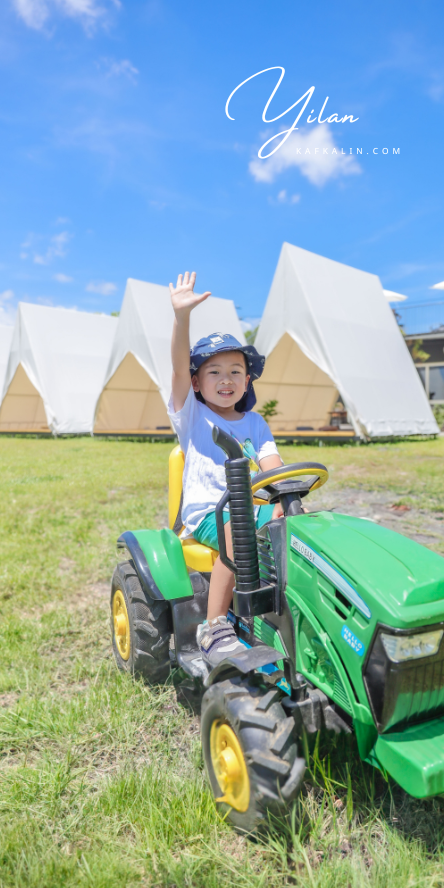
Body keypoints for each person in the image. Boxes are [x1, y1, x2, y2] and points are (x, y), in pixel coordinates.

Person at [166, 270, 285, 660]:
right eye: (214, 372)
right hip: (207, 515)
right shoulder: (192, 417)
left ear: (248, 380)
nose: (226, 379)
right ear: (197, 383)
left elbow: (273, 465)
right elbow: (179, 367)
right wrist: (182, 317)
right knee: (240, 531)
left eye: (235, 371)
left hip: (247, 511)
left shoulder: (255, 423)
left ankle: (283, 612)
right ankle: (214, 627)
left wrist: (286, 497)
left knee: (298, 528)